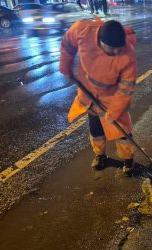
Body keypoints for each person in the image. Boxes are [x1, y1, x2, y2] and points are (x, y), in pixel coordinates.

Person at [59, 18, 138, 176]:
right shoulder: (82, 30)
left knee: (122, 130)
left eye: (118, 48)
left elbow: (125, 89)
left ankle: (128, 160)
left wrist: (114, 111)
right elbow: (67, 44)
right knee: (96, 129)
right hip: (89, 92)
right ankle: (100, 156)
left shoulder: (128, 55)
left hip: (113, 95)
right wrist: (65, 67)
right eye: (111, 49)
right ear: (100, 41)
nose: (116, 52)